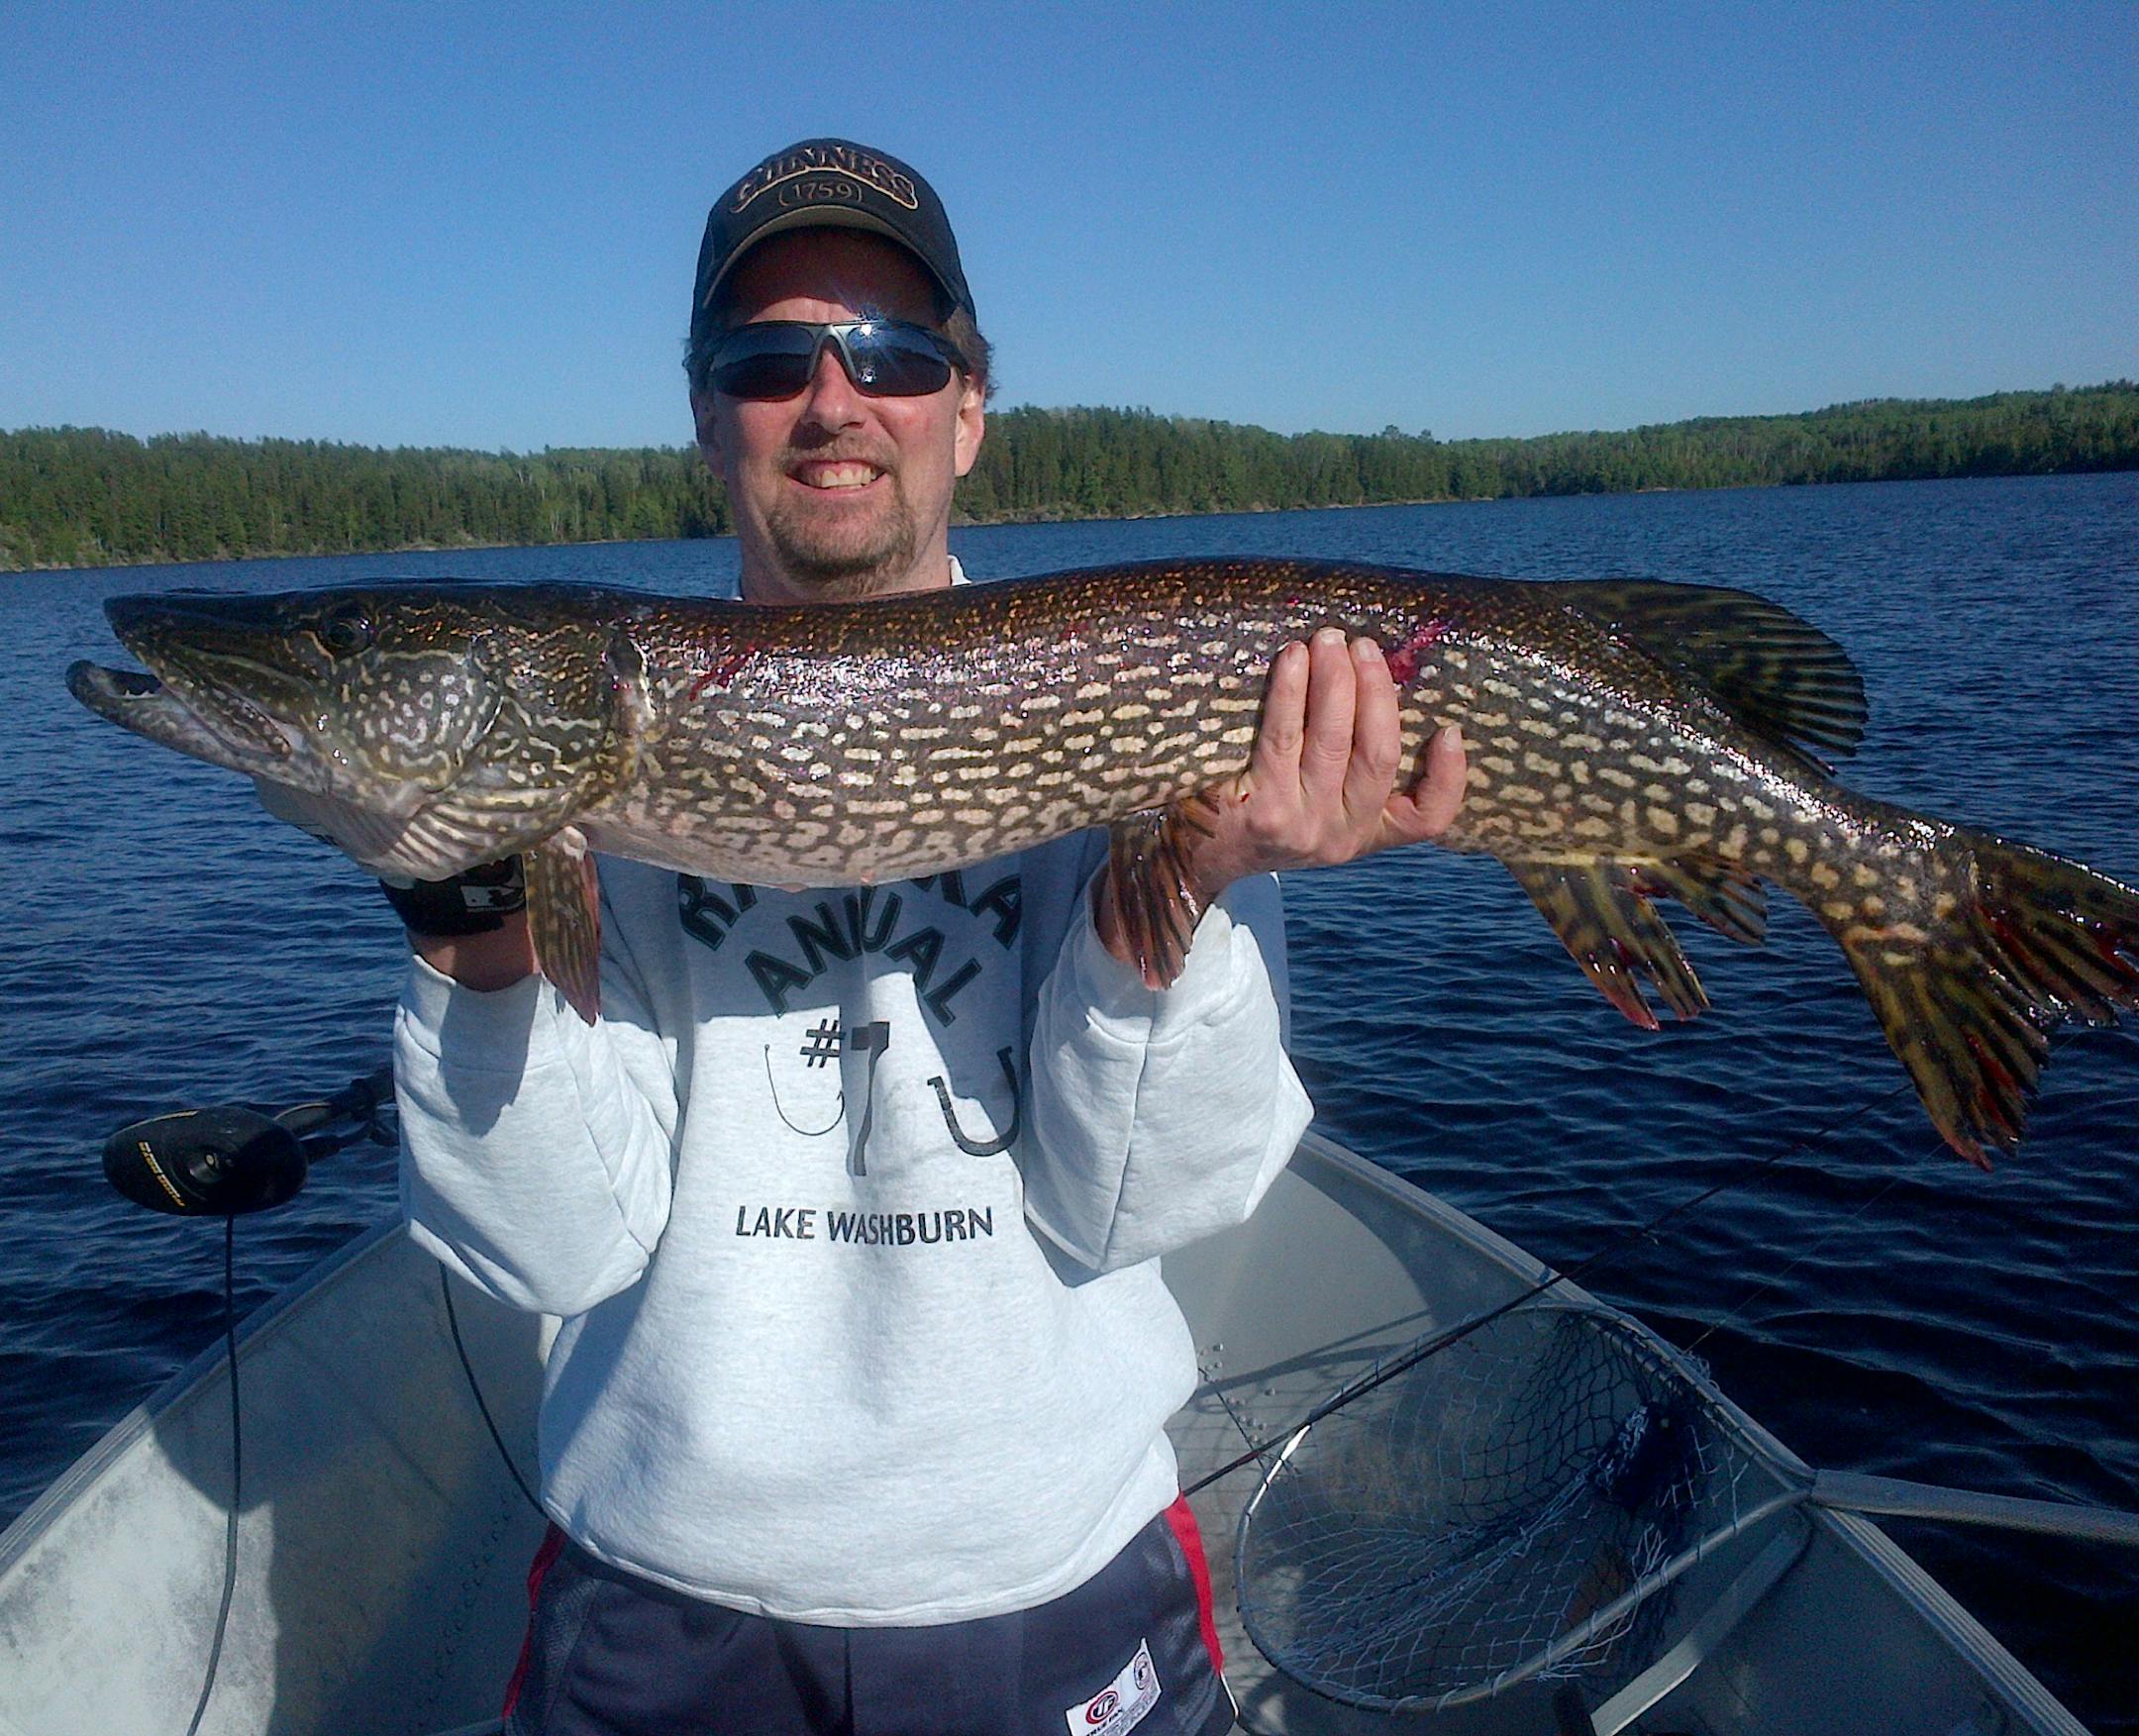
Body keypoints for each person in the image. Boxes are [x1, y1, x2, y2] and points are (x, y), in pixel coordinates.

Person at [383, 139, 1467, 1736]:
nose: (833, 401)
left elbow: (1137, 1209)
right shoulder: (577, 759)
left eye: (892, 354)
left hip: (1051, 1577)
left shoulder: (1168, 714)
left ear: (969, 407)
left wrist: (1182, 893)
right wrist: (472, 934)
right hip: (661, 1596)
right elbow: (552, 1253)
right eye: (769, 361)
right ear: (705, 414)